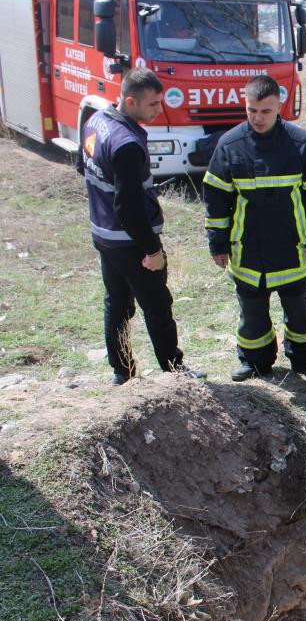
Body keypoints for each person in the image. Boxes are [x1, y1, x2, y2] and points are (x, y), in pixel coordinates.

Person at [203, 75, 306, 381]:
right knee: (252, 316)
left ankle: (303, 359)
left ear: (280, 106)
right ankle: (255, 361)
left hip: (292, 249)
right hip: (248, 253)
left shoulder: (300, 143)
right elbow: (216, 201)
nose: (258, 118)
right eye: (251, 111)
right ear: (244, 105)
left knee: (300, 315)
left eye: (265, 111)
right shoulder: (229, 145)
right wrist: (218, 245)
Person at [79, 67, 201, 385]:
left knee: (117, 304)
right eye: (153, 104)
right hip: (129, 241)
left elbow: (84, 168)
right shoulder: (127, 143)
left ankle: (123, 371)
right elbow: (128, 208)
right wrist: (152, 249)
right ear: (131, 102)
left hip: (104, 235)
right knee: (157, 305)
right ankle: (173, 369)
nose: (159, 109)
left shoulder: (96, 120)